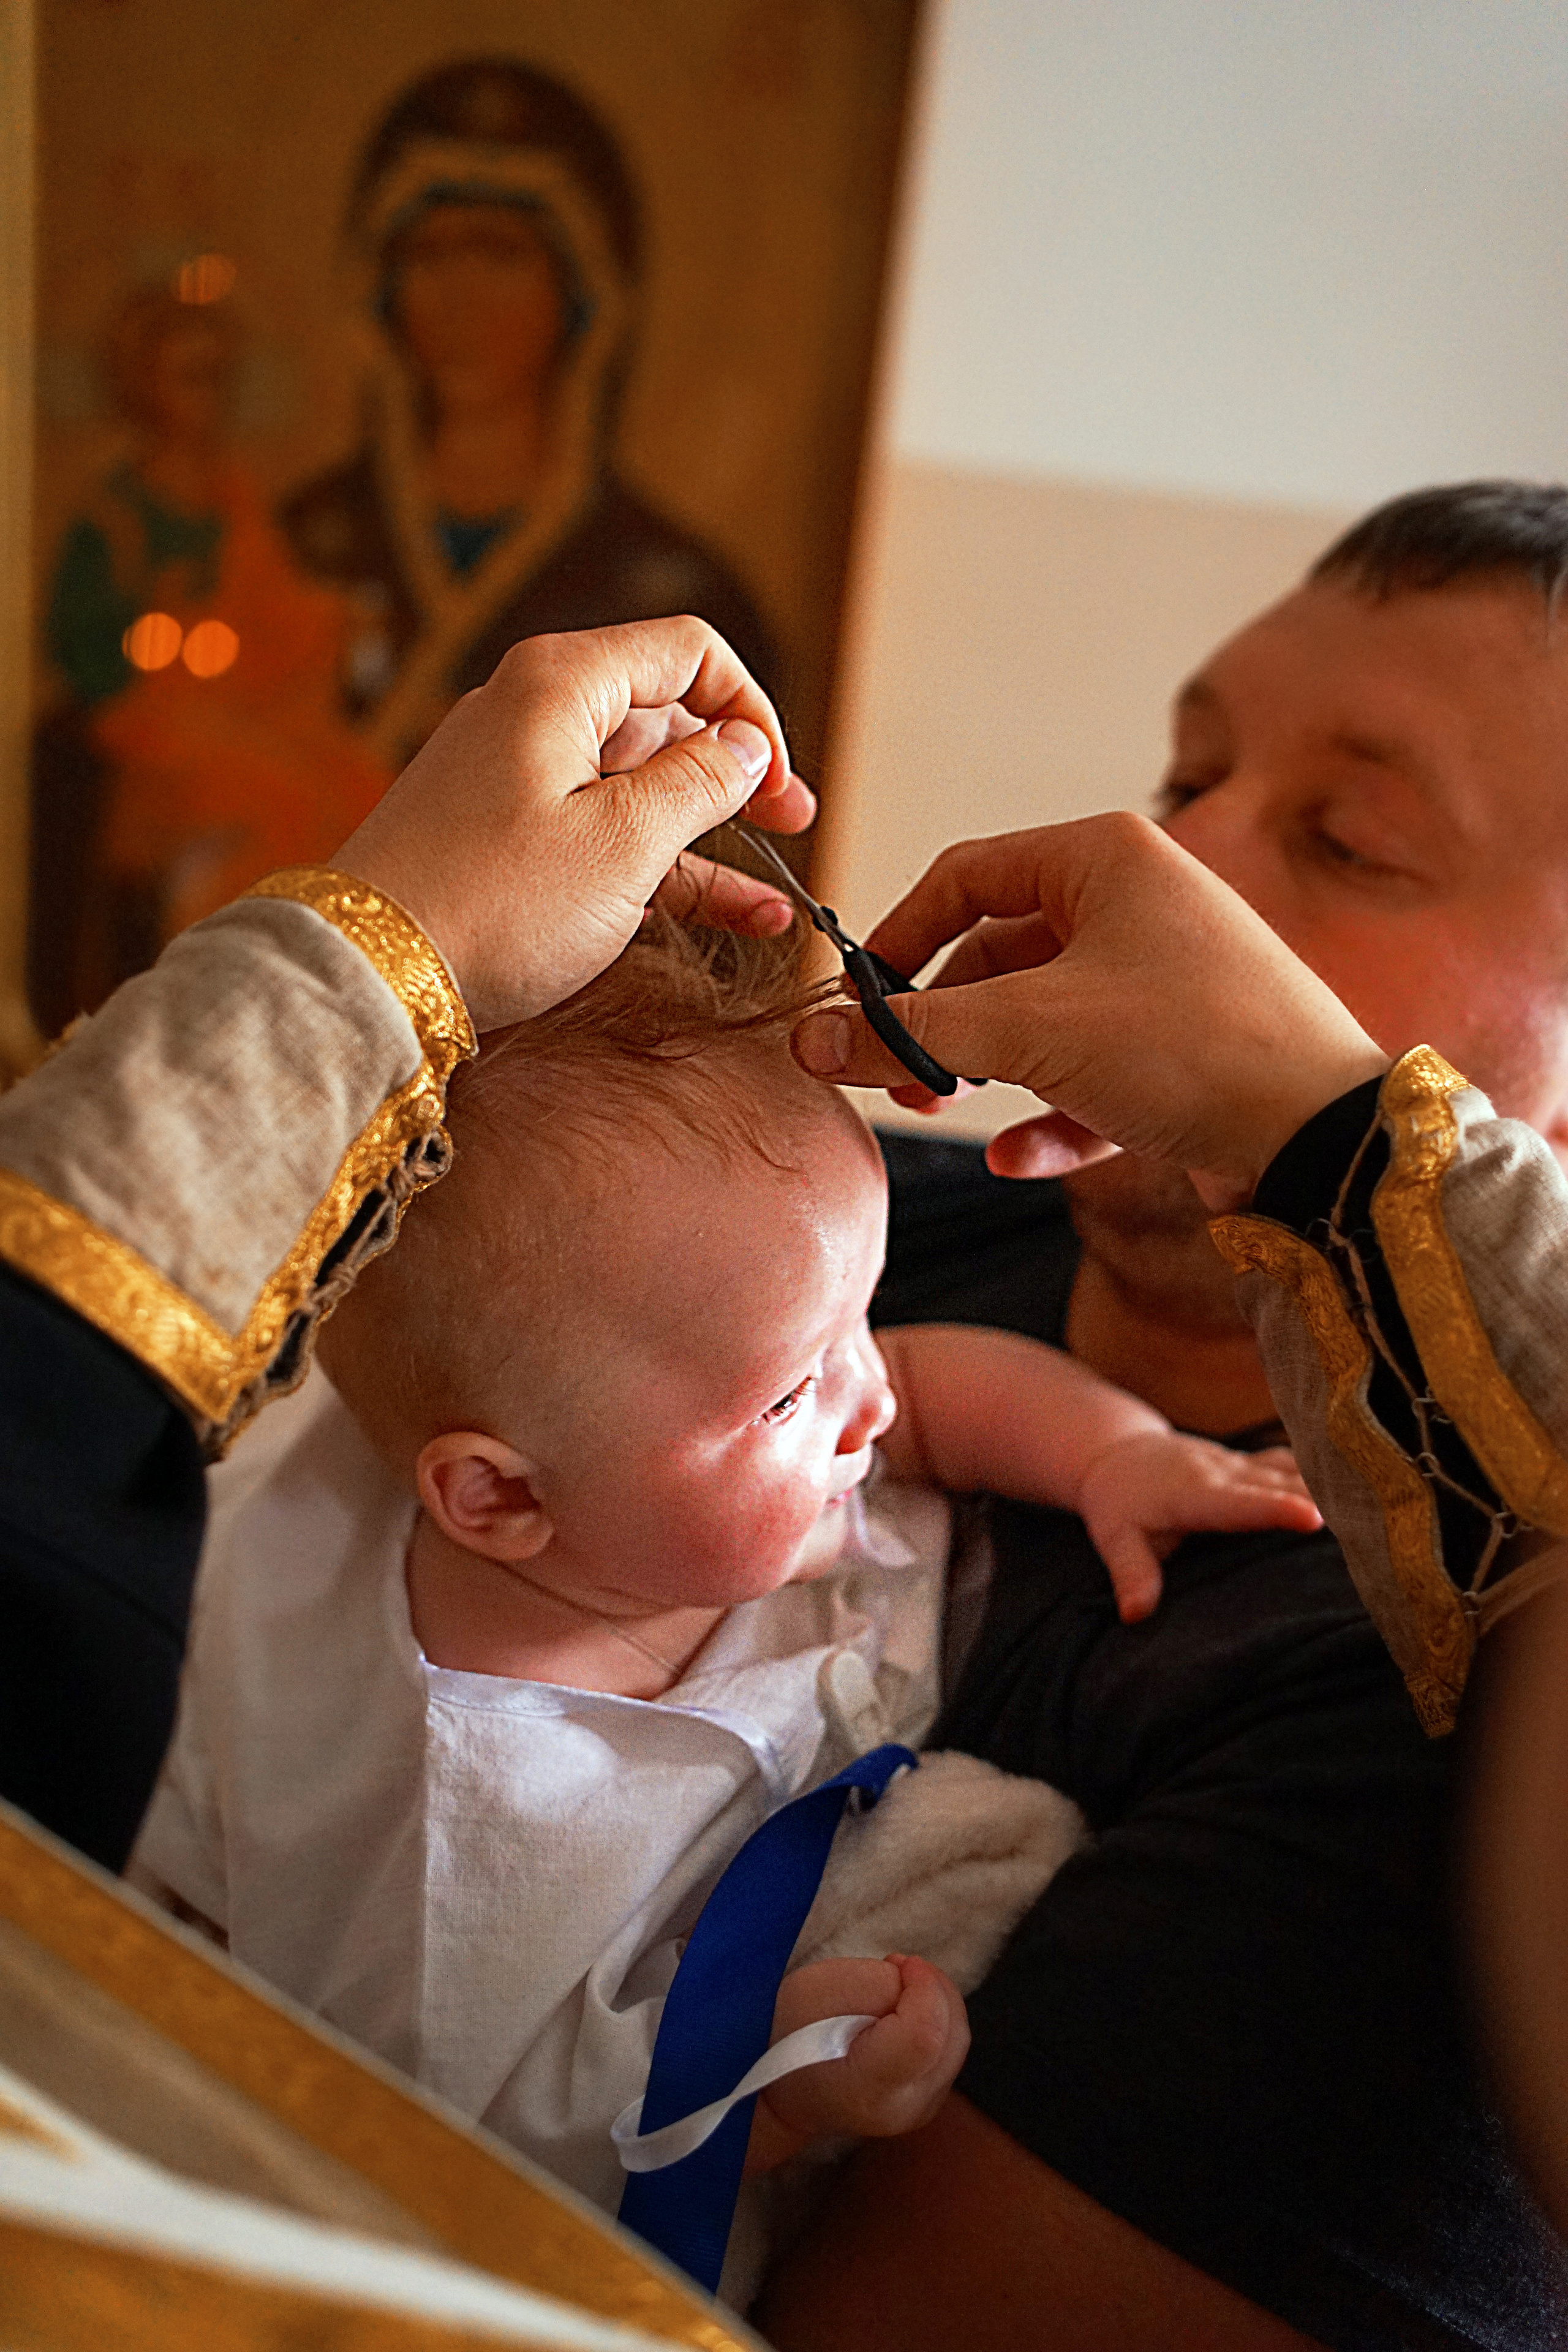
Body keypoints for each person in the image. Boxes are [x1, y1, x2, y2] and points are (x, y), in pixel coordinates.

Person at [127, 913, 1317, 2266]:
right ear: (502, 1501)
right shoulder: (482, 1821)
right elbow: (472, 2132)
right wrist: (773, 2091)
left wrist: (1117, 1456)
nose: (871, 1394)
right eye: (797, 1391)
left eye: (858, 1314)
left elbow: (925, 1390)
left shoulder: (631, 1437)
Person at [761, 483, 1568, 2351]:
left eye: (1348, 838)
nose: (1163, 857)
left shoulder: (1462, 1708)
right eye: (1185, 769)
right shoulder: (844, 1228)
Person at [281, 59, 778, 776]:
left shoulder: (672, 597)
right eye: (429, 253)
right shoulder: (305, 545)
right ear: (381, 288)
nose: (460, 297)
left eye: (499, 253)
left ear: (582, 295)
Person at [32, 282, 388, 1027]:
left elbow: (273, 611)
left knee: (360, 784)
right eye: (188, 377)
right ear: (143, 389)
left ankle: (334, 1001)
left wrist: (332, 619)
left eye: (217, 377)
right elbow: (88, 650)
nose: (207, 398)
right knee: (275, 791)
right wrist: (171, 646)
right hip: (156, 720)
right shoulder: (115, 518)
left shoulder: (234, 500)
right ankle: (218, 1002)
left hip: (245, 708)